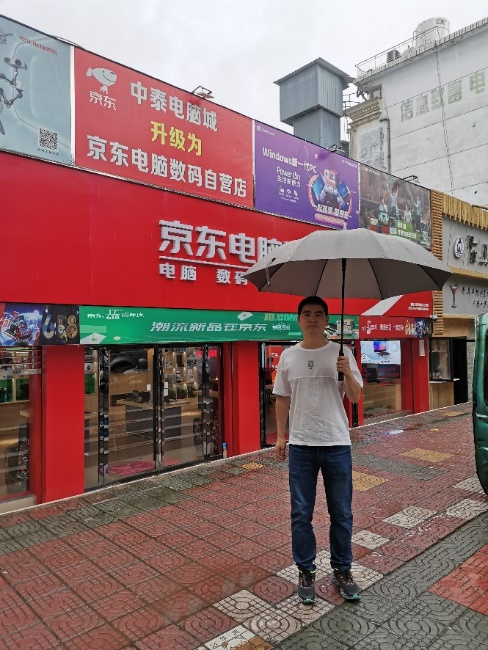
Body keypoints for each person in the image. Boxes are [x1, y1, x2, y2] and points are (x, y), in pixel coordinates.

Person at [273, 296, 363, 604]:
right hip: (301, 446)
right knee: (301, 513)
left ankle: (342, 569)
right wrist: (281, 436)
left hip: (337, 443)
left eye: (319, 314)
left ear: (326, 320)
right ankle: (306, 570)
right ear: (298, 319)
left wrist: (347, 372)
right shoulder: (288, 356)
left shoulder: (342, 353)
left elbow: (355, 397)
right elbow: (282, 397)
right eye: (307, 314)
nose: (313, 318)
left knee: (342, 512)